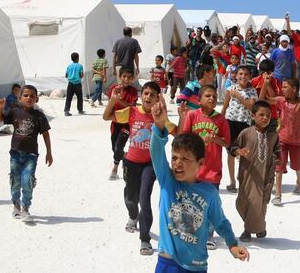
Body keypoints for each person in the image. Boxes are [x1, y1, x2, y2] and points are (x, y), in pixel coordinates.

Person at [149, 98, 250, 271]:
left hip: (196, 266)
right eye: (174, 157)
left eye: (185, 159)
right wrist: (159, 125)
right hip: (168, 262)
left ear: (200, 162)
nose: (177, 163)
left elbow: (221, 222)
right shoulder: (168, 181)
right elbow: (156, 151)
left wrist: (232, 244)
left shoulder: (209, 192)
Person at [103, 81, 174, 256]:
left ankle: (145, 239)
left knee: (145, 199)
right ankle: (133, 216)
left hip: (150, 165)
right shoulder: (132, 112)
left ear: (158, 98)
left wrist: (178, 116)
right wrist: (113, 100)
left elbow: (178, 132)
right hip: (130, 163)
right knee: (130, 199)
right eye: (146, 93)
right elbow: (106, 116)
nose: (148, 97)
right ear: (141, 95)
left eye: (152, 94)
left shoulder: (160, 117)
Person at [177, 86, 232, 248]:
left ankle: (208, 234)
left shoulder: (221, 119)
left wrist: (215, 139)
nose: (212, 99)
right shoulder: (192, 115)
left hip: (213, 169)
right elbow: (184, 138)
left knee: (210, 203)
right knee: (190, 201)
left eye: (214, 96)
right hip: (194, 169)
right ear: (199, 100)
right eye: (208, 96)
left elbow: (227, 142)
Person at [0, 85, 53, 223]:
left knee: (27, 180)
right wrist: (0, 108)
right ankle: (16, 205)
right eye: (25, 95)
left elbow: (46, 134)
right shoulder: (15, 112)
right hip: (15, 153)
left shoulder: (39, 116)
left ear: (36, 99)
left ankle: (26, 208)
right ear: (19, 97)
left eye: (32, 96)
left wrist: (49, 153)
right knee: (15, 181)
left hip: (31, 155)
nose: (29, 98)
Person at [231, 101, 280, 241]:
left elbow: (277, 150)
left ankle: (248, 230)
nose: (265, 118)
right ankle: (259, 226)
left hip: (266, 174)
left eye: (268, 116)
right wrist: (239, 151)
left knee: (260, 202)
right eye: (261, 115)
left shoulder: (273, 135)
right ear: (253, 116)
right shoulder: (246, 133)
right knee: (243, 202)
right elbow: (233, 148)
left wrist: (277, 159)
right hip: (248, 174)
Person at [272, 79, 300, 206]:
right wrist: (265, 83)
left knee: (297, 166)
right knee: (279, 166)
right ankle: (278, 195)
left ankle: (299, 182)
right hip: (282, 140)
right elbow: (265, 99)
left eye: (285, 87)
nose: (282, 89)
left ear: (295, 89)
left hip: (297, 141)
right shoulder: (281, 101)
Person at [221, 66, 257, 193]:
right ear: (235, 75)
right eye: (240, 74)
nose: (243, 76)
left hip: (244, 124)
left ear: (249, 76)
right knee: (231, 152)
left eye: (246, 74)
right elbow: (225, 107)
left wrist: (239, 96)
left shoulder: (252, 91)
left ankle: (241, 176)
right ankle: (232, 181)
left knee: (243, 153)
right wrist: (221, 120)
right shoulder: (230, 89)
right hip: (230, 123)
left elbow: (251, 106)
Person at [105, 67, 139, 180]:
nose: (126, 79)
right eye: (124, 76)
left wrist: (119, 100)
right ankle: (125, 157)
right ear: (119, 77)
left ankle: (115, 168)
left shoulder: (133, 91)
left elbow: (133, 107)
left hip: (127, 123)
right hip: (115, 122)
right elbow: (110, 105)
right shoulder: (113, 89)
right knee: (114, 147)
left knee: (119, 145)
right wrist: (115, 98)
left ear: (133, 79)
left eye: (129, 77)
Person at [64, 52, 85, 116]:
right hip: (77, 84)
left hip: (70, 84)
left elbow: (66, 75)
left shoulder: (69, 66)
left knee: (69, 97)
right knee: (79, 97)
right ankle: (80, 110)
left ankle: (66, 111)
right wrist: (81, 76)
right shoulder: (80, 66)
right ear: (77, 58)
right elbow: (81, 75)